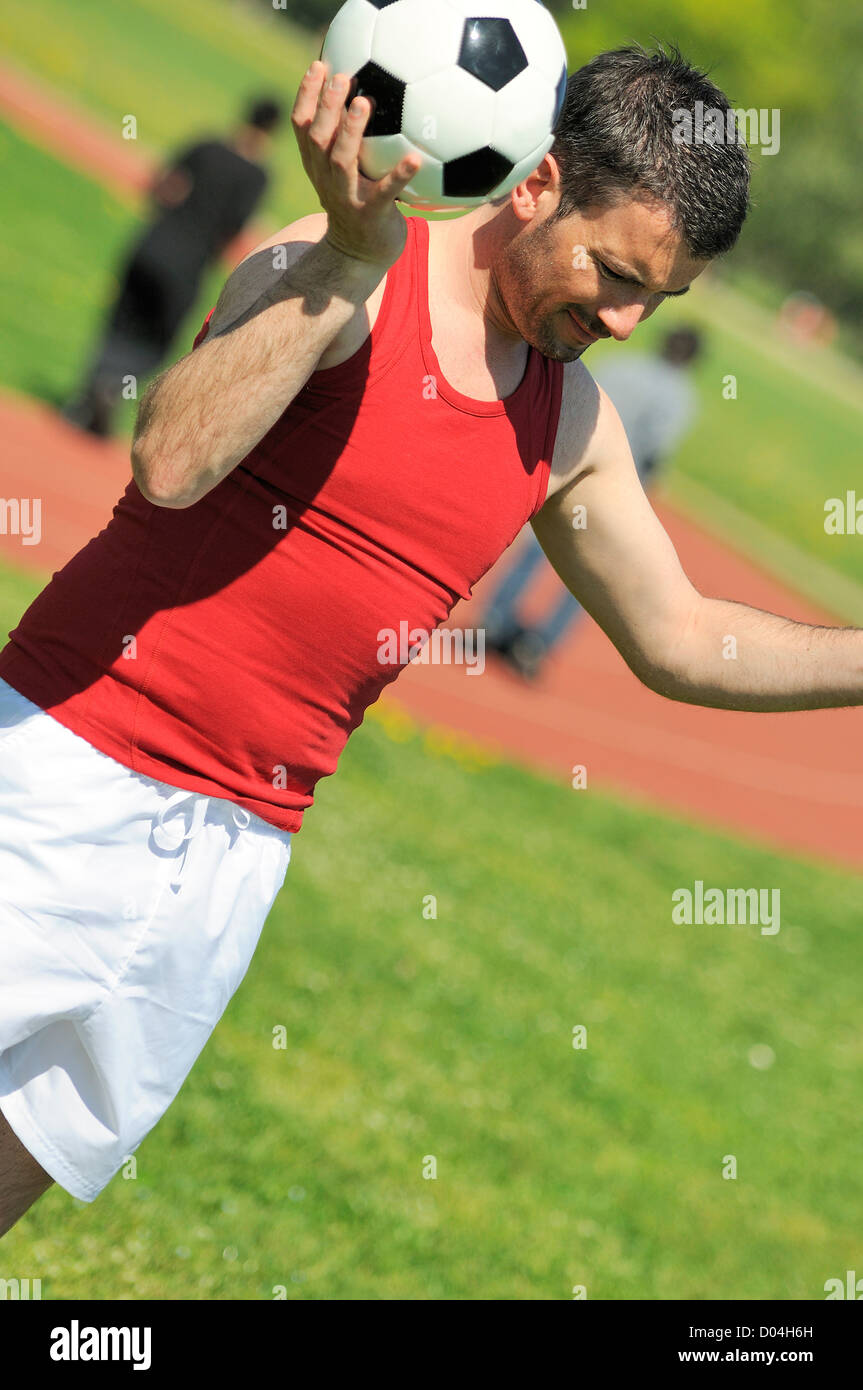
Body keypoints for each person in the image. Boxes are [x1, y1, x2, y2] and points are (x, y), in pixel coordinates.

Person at [3, 45, 861, 1236]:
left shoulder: (569, 418)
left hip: (238, 856)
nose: (621, 319)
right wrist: (348, 262)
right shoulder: (339, 263)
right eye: (614, 274)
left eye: (654, 303)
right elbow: (170, 458)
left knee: (23, 1168)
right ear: (537, 183)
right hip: (65, 772)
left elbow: (682, 637)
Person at [482, 327, 703, 678]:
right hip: (615, 492)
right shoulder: (679, 396)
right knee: (591, 572)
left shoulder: (623, 363)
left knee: (536, 549)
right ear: (692, 361)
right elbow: (655, 452)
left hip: (569, 464)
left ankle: (493, 622)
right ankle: (535, 647)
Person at [62, 96, 284, 437]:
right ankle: (111, 389)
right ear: (273, 129)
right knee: (156, 341)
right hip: (187, 267)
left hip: (150, 246)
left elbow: (163, 184)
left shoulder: (206, 146)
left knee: (119, 320)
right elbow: (234, 228)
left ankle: (84, 401)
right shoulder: (257, 176)